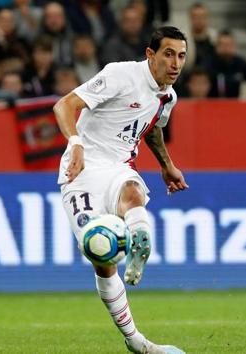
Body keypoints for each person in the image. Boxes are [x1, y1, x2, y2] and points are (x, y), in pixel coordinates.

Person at [53, 26, 188, 354]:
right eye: (168, 54)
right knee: (100, 254)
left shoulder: (167, 96)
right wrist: (76, 143)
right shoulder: (119, 75)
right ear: (150, 54)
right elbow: (64, 106)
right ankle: (135, 340)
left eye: (181, 56)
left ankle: (139, 240)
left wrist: (166, 164)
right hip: (82, 169)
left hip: (119, 167)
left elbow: (152, 129)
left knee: (132, 191)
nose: (175, 63)